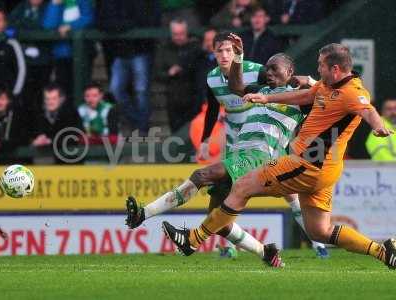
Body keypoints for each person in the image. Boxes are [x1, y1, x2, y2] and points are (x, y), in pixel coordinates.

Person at [162, 43, 396, 271]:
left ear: (335, 69)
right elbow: (304, 96)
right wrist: (267, 98)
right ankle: (383, 251)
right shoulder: (326, 85)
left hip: (307, 164)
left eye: (321, 65)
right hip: (326, 169)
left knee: (242, 186)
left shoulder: (353, 92)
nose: (318, 69)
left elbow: (368, 109)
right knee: (319, 231)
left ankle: (193, 239)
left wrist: (377, 126)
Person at [126, 32, 327, 264]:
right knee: (218, 219)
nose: (269, 73)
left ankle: (144, 214)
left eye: (275, 69)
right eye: (268, 69)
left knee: (202, 174)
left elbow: (326, 97)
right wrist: (239, 56)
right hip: (240, 153)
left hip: (260, 157)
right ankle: (266, 253)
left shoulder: (300, 98)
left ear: (290, 72)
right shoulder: (261, 91)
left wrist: (311, 81)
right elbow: (235, 85)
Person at [97, 0, 161, 135]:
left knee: (141, 90)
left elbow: (149, 20)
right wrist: (127, 25)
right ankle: (139, 123)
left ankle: (142, 128)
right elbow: (103, 22)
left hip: (142, 49)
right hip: (119, 51)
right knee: (115, 90)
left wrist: (121, 25)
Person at [155, 18, 202, 133]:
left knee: (195, 132)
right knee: (176, 134)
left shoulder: (195, 47)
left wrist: (186, 68)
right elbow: (157, 73)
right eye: (176, 34)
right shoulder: (164, 49)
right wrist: (169, 73)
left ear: (186, 32)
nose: (179, 37)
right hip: (174, 98)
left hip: (194, 97)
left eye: (181, 34)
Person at [43, 0, 94, 100]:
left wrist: (70, 26)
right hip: (61, 53)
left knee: (82, 87)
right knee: (63, 89)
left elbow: (89, 18)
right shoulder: (55, 3)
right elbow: (48, 25)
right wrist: (55, 5)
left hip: (82, 54)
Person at [9, 0, 51, 113]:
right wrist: (24, 47)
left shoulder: (49, 7)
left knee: (42, 95)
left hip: (44, 59)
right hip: (25, 60)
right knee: (25, 96)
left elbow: (48, 26)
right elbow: (11, 27)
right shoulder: (21, 7)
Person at [32, 84, 83, 162]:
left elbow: (74, 136)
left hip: (69, 159)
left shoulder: (71, 113)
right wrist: (36, 140)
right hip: (44, 157)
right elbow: (31, 134)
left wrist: (50, 141)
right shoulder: (39, 114)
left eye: (54, 99)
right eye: (47, 99)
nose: (50, 102)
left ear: (61, 99)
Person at [0, 8, 26, 97]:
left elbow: (21, 70)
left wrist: (14, 93)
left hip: (6, 96)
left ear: (5, 23)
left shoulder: (12, 44)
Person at [0, 85, 29, 164]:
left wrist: (0, 144)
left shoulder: (18, 118)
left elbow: (24, 139)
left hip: (16, 164)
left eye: (2, 99)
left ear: (9, 101)